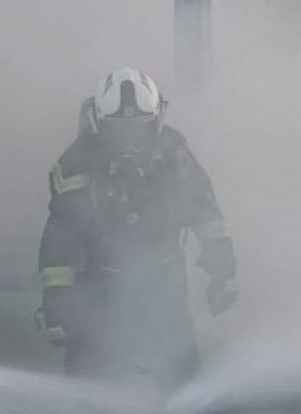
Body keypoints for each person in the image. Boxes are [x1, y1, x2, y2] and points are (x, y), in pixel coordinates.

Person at [37, 68, 235, 389]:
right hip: (98, 284)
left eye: (138, 128)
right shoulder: (76, 164)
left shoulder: (173, 153)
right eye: (118, 129)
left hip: (163, 280)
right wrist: (58, 303)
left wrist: (223, 272)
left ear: (155, 119)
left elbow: (205, 213)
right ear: (100, 122)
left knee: (181, 372)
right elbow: (60, 237)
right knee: (89, 383)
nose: (129, 139)